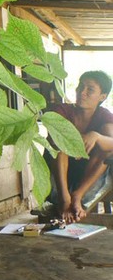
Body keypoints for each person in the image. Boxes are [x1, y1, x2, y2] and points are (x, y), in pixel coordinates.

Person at [46, 70, 113, 223]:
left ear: (102, 97)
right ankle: (65, 199)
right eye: (80, 87)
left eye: (90, 89)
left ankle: (77, 196)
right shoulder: (62, 110)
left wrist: (95, 136)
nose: (82, 92)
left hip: (89, 180)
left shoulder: (104, 115)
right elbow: (54, 140)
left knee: (106, 147)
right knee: (60, 143)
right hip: (59, 178)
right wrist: (73, 144)